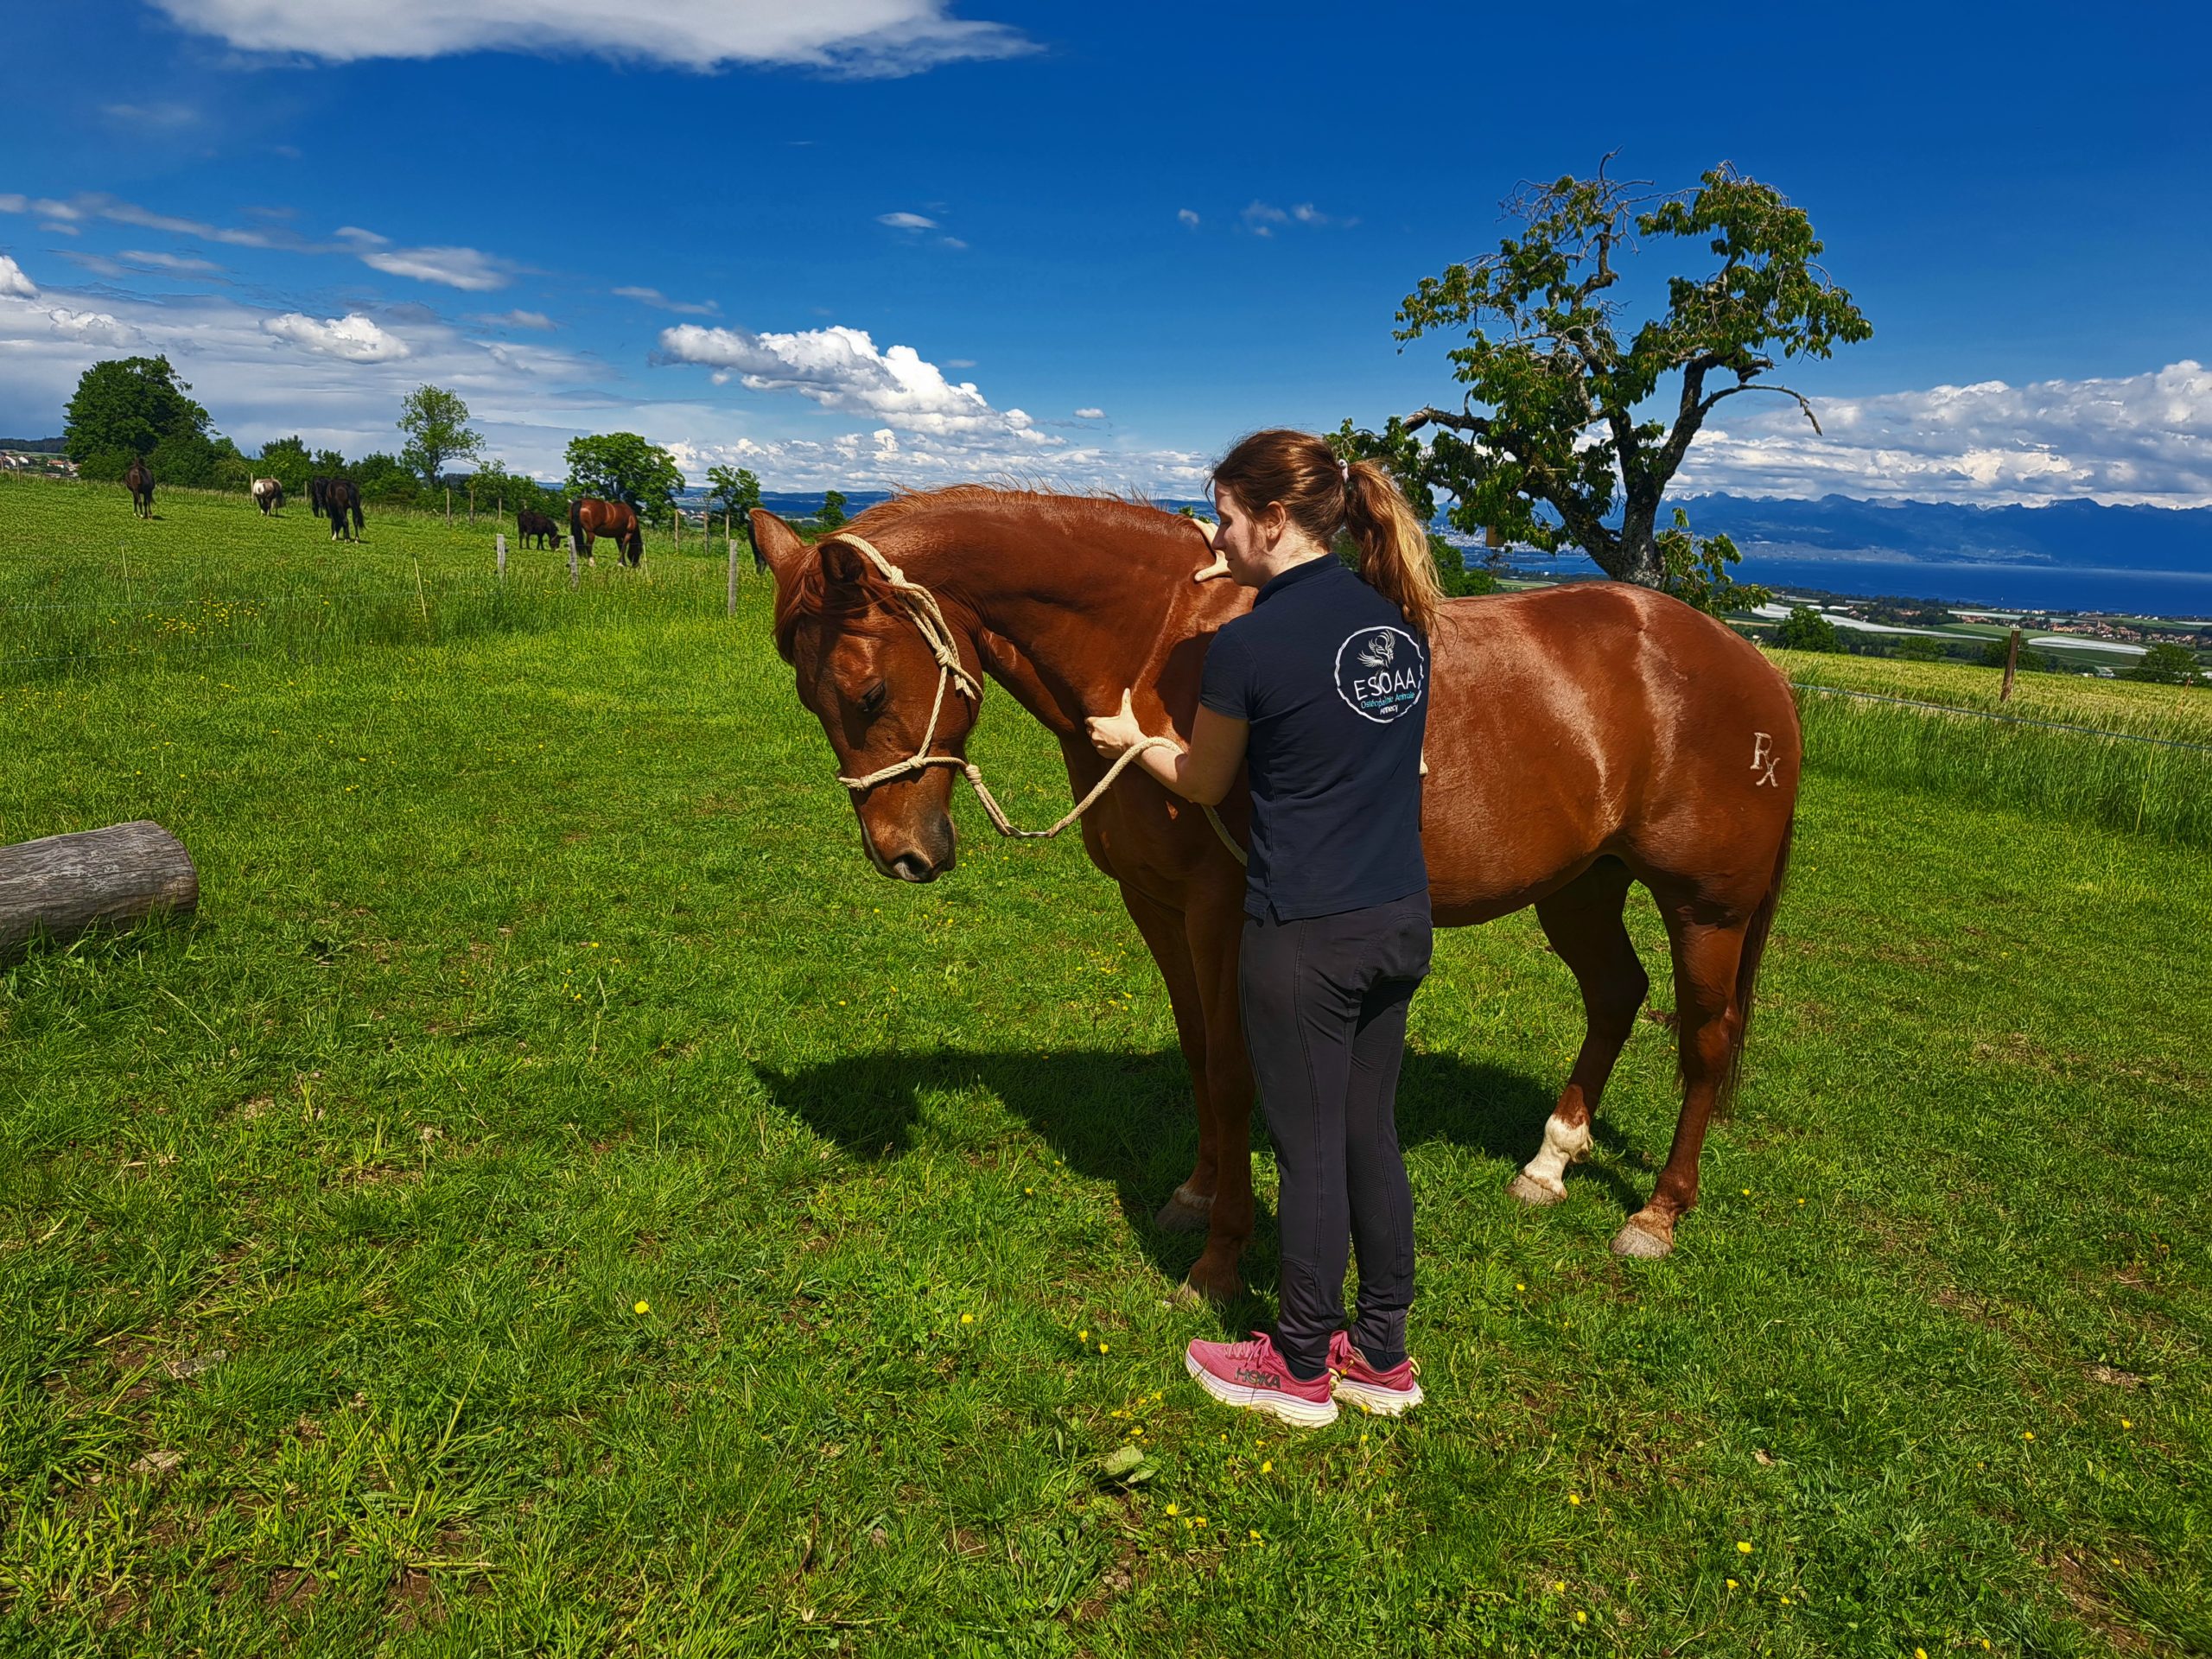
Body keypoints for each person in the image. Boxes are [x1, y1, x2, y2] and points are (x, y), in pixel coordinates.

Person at [1085, 429, 1443, 1427]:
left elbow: (1203, 781)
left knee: (1309, 1146)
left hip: (1305, 932)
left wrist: (1132, 740)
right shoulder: (1394, 628)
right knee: (1370, 1133)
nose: (1215, 534)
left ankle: (1292, 1365)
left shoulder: (1247, 643)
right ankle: (1380, 1352)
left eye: (1228, 518)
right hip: (1397, 919)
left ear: (1274, 519)